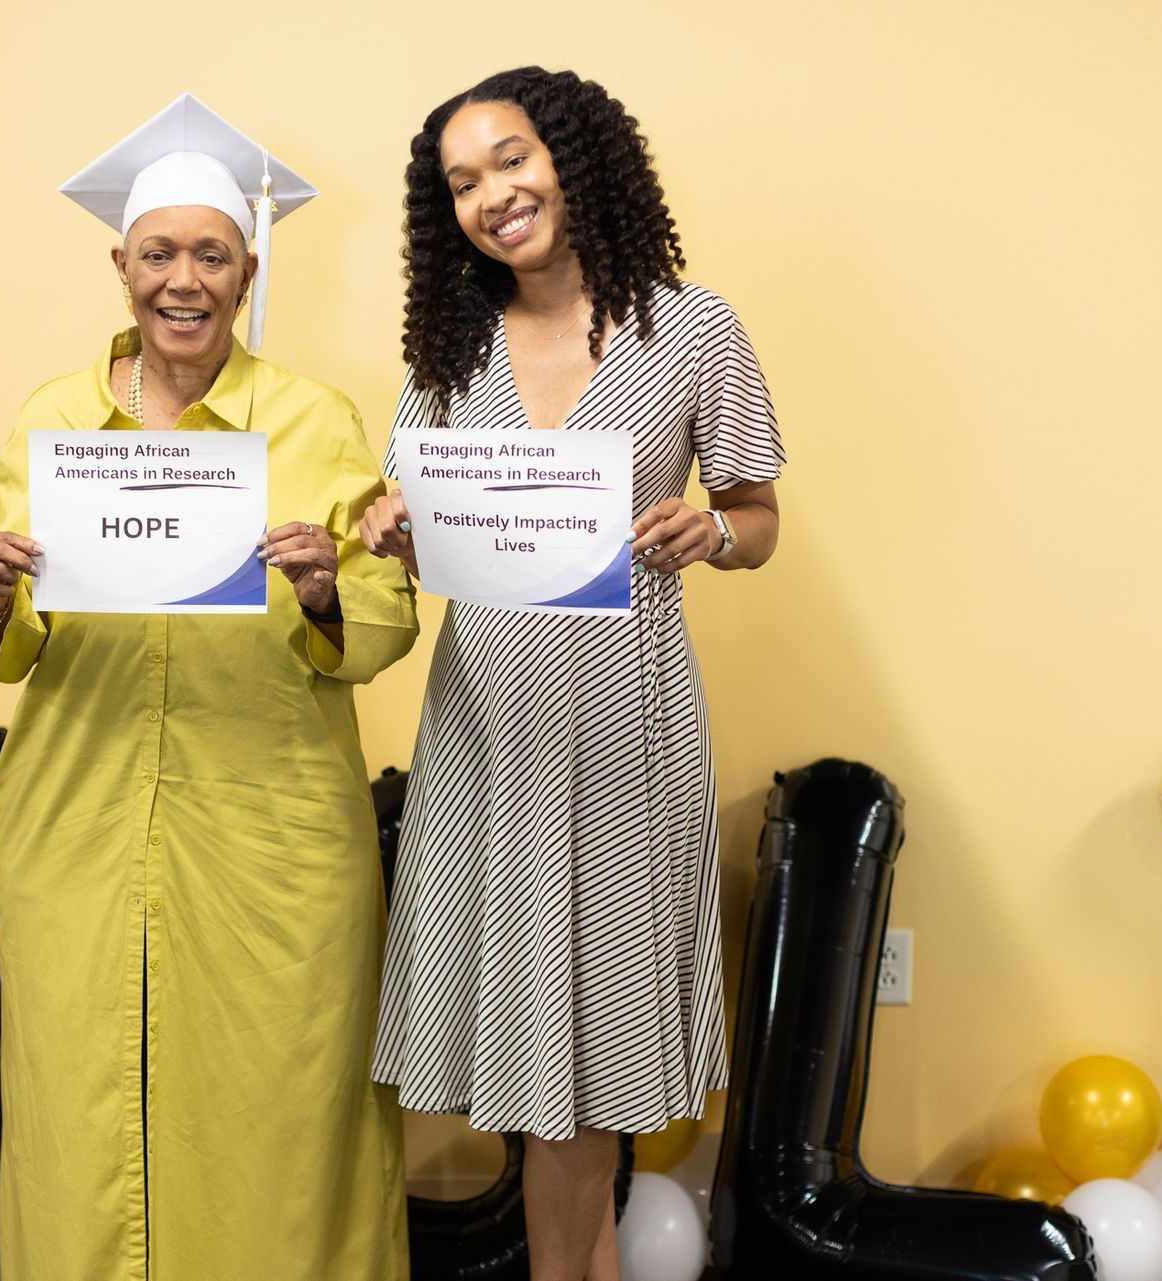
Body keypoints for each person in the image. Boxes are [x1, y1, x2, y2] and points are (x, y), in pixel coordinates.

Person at [0, 94, 417, 1281]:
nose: (184, 279)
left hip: (273, 833)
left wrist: (324, 589)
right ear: (120, 267)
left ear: (248, 269)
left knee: (279, 1112)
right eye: (158, 252)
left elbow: (382, 625)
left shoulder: (314, 422)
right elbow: (10, 644)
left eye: (211, 254)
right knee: (79, 1110)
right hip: (77, 826)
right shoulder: (54, 419)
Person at [362, 67, 784, 1281]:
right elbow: (418, 517)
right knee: (543, 1083)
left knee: (584, 1083)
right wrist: (395, 523)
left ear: (577, 158)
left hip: (623, 743)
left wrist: (713, 534)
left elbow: (758, 514)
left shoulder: (691, 328)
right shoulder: (448, 352)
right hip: (488, 740)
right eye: (461, 183)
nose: (492, 194)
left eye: (511, 158)